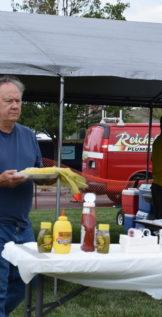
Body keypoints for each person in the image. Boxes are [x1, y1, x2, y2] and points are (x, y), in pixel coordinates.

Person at [0, 76, 42, 316]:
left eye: (18, 100)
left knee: (26, 280)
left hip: (22, 225)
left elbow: (36, 169)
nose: (15, 105)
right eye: (8, 101)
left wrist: (50, 176)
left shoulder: (28, 135)